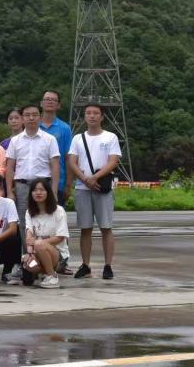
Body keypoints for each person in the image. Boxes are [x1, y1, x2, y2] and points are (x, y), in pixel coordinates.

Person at [67, 103, 121, 280]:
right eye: (88, 113)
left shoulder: (110, 137)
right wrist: (85, 179)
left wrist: (95, 177)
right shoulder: (78, 138)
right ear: (84, 116)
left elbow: (113, 161)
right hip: (82, 188)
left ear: (102, 116)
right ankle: (86, 265)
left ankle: (108, 265)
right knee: (85, 228)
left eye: (95, 113)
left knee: (106, 227)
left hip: (102, 187)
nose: (92, 116)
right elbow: (72, 162)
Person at [4, 104, 60, 264]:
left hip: (43, 186)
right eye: (27, 115)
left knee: (45, 221)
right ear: (22, 118)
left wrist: (54, 191)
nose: (31, 118)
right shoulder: (15, 141)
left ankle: (46, 260)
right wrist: (10, 191)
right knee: (23, 224)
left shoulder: (49, 139)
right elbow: (10, 167)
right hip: (22, 186)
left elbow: (55, 165)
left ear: (40, 117)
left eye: (35, 115)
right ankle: (27, 260)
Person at [23, 177, 69, 289]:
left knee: (39, 244)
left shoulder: (58, 211)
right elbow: (29, 235)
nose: (38, 193)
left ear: (48, 192)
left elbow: (60, 237)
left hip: (59, 256)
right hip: (37, 252)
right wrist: (29, 253)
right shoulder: (29, 212)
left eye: (42, 190)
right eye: (35, 190)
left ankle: (52, 276)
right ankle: (45, 272)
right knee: (28, 264)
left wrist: (39, 243)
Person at [40, 90, 74, 205]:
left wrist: (68, 184)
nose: (50, 102)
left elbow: (68, 158)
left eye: (53, 100)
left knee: (56, 214)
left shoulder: (64, 128)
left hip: (58, 182)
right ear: (41, 103)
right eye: (47, 99)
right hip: (35, 182)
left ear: (58, 105)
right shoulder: (34, 125)